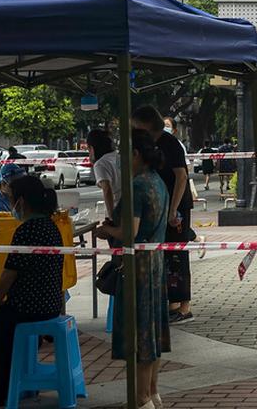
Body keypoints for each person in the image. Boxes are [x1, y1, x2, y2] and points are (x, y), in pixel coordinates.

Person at [0, 176, 64, 408]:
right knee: (1, 331)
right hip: (49, 304)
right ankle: (8, 383)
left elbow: (9, 274)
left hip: (28, 308)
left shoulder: (27, 231)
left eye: (10, 199)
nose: (9, 204)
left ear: (22, 202)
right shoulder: (50, 226)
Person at [99, 131, 171, 409]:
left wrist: (106, 229)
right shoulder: (158, 182)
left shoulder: (137, 186)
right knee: (153, 329)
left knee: (140, 331)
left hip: (137, 268)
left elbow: (130, 231)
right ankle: (152, 391)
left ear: (137, 155)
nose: (121, 159)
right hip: (155, 264)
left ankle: (141, 398)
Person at [131, 105, 195, 324]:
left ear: (146, 124)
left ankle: (183, 306)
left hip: (176, 208)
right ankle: (172, 303)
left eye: (137, 126)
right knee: (167, 254)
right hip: (164, 205)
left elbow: (181, 177)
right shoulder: (155, 144)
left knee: (177, 255)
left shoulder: (170, 144)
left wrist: (173, 209)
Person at [87, 129, 119, 214]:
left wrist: (112, 217)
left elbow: (107, 189)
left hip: (119, 210)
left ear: (92, 148)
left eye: (88, 149)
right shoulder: (118, 156)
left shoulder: (101, 163)